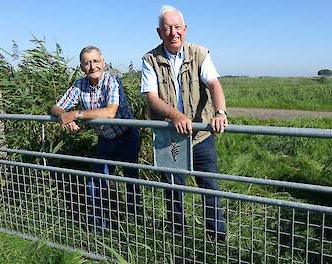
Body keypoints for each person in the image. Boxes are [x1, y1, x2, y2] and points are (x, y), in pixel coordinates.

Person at [140, 5, 227, 240]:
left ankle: (216, 237)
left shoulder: (199, 53)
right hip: (170, 137)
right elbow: (151, 98)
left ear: (185, 29)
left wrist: (220, 112)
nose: (173, 32)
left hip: (200, 136)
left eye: (177, 27)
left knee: (209, 187)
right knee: (173, 188)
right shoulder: (150, 59)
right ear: (159, 32)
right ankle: (177, 234)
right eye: (167, 28)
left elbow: (214, 84)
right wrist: (176, 116)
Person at [51, 46, 140, 230]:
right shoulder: (79, 85)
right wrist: (64, 118)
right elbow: (56, 108)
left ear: (103, 62)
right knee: (96, 182)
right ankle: (99, 228)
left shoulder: (112, 81)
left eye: (96, 61)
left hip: (126, 136)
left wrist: (75, 114)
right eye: (87, 63)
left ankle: (136, 222)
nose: (92, 66)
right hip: (105, 140)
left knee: (131, 180)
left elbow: (110, 112)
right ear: (82, 67)